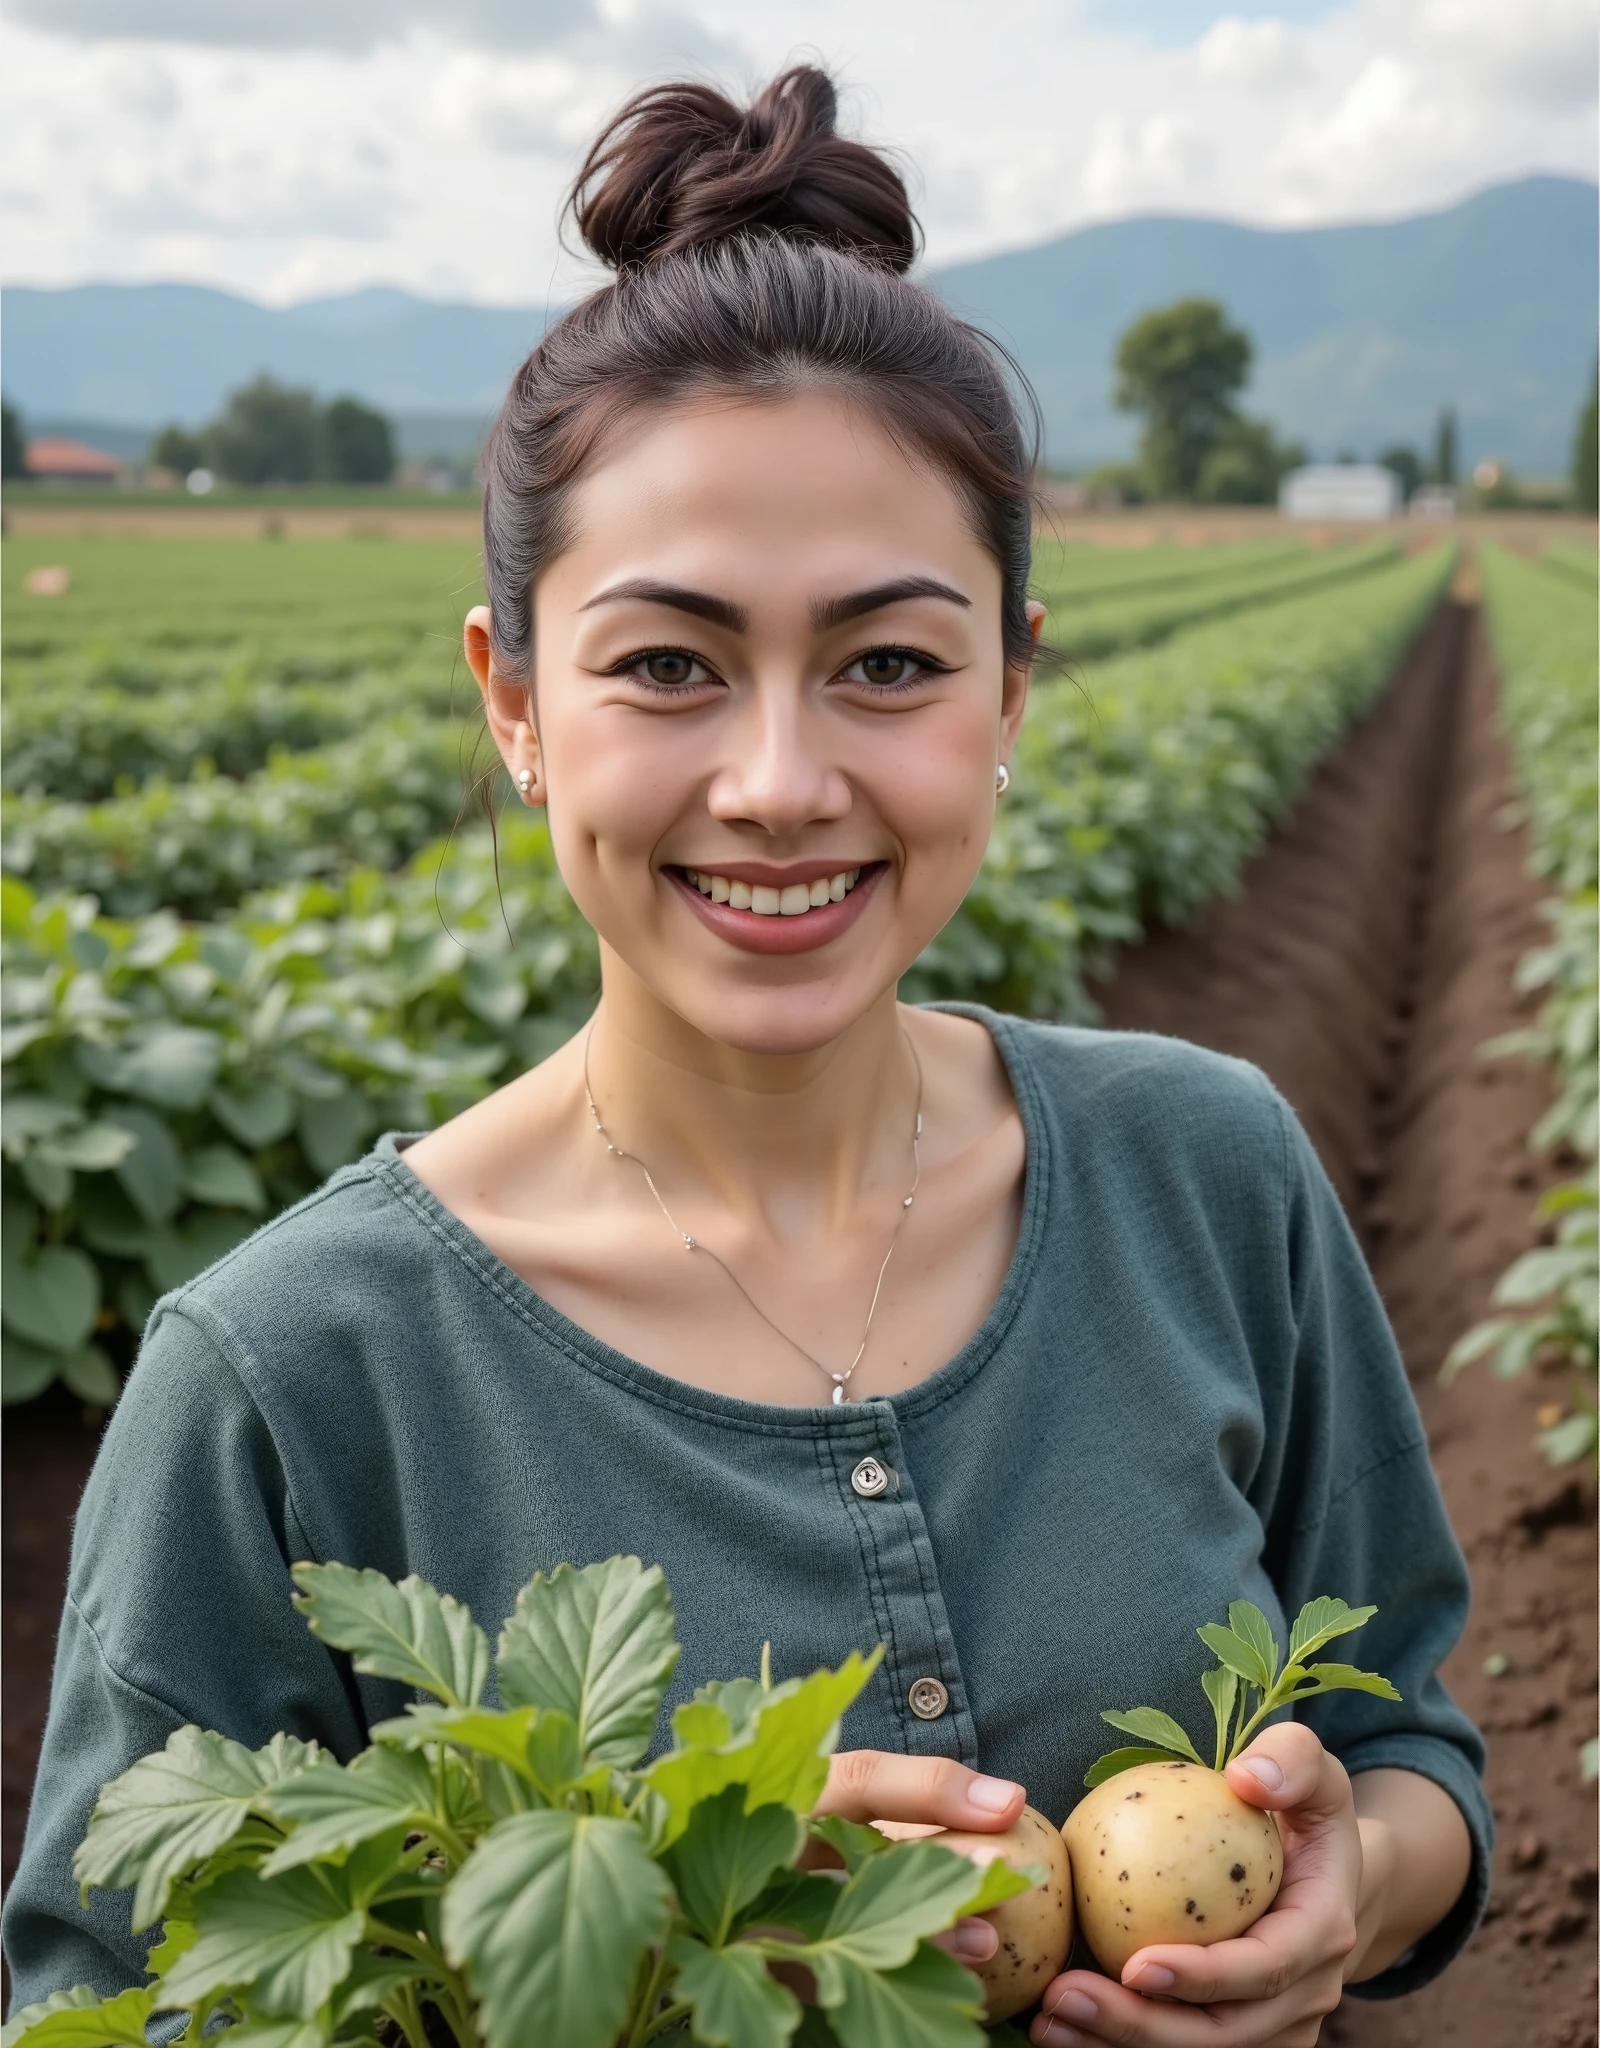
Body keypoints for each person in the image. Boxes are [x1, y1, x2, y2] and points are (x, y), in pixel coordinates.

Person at [6, 67, 1487, 2048]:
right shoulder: (282, 1383)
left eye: (887, 661)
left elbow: (1405, 1731)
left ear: (1010, 687)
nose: (780, 784)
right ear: (512, 701)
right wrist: (621, 1940)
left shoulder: (1204, 1174)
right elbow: (121, 2007)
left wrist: (1346, 1882)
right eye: (665, 664)